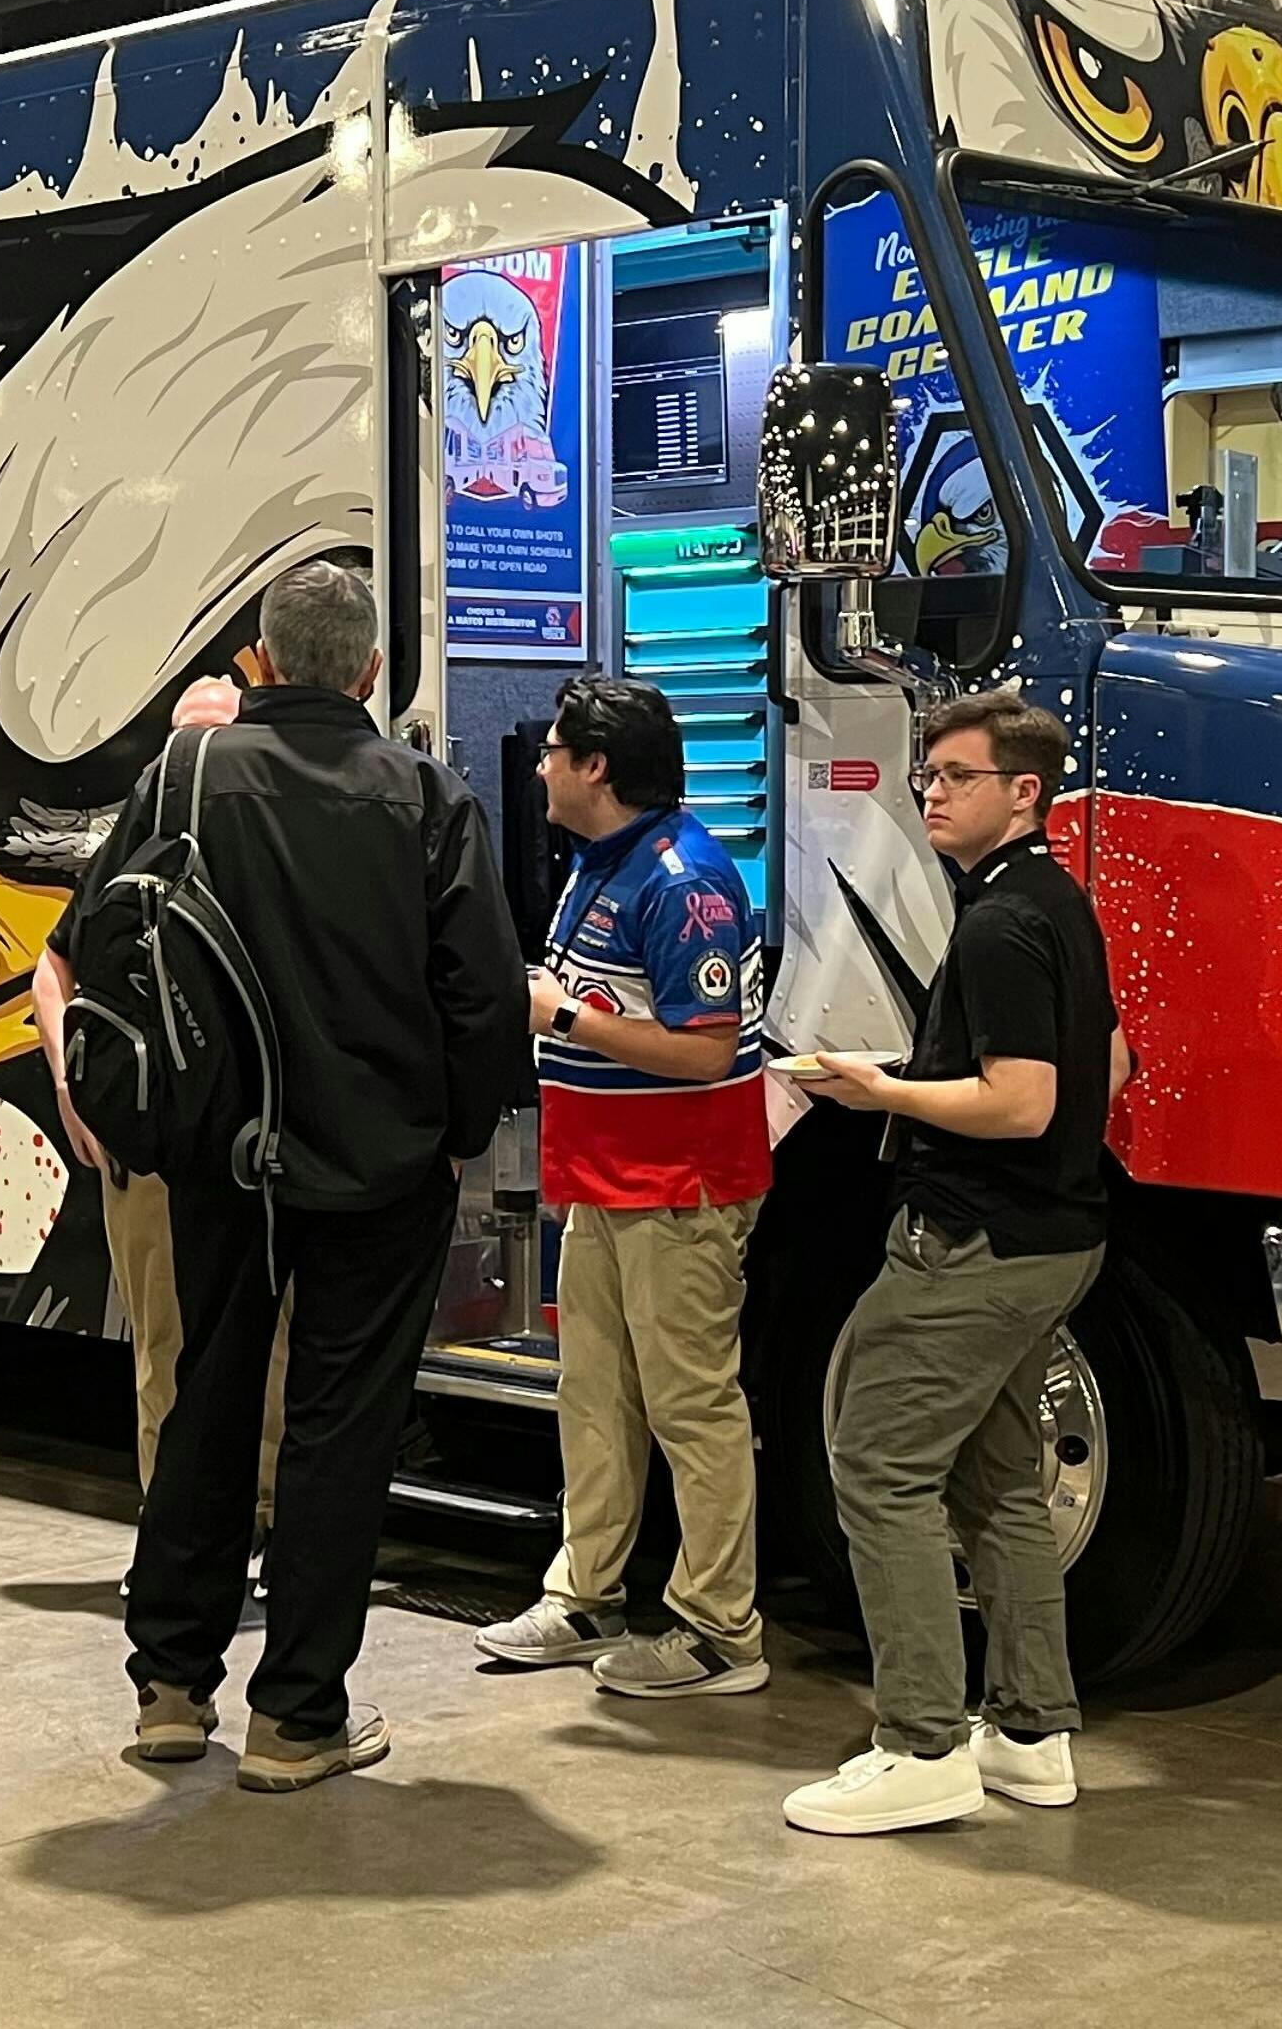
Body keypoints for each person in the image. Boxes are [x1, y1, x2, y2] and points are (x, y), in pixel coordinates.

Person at [53, 560, 525, 1792]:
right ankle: (298, 1719)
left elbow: (100, 938)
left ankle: (170, 1688)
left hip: (220, 1157)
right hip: (381, 1167)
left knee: (206, 1399)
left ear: (259, 662)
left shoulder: (186, 775)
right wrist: (458, 1132)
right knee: (338, 1428)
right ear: (369, 671)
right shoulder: (423, 796)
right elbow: (482, 995)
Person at [788, 690, 1126, 1837]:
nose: (931, 792)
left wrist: (883, 1091)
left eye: (957, 777)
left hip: (975, 1243)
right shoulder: (1058, 903)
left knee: (879, 1468)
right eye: (928, 774)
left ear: (1025, 792)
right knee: (999, 1481)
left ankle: (921, 1743)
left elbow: (1022, 1103)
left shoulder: (997, 925)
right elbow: (1110, 1065)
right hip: (1054, 1239)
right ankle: (1029, 1735)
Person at [472, 675, 775, 1699]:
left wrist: (559, 1018)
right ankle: (586, 1594)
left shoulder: (684, 884)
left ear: (597, 767)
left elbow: (706, 1051)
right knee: (593, 1395)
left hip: (679, 1191)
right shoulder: (599, 866)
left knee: (691, 1406)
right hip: (604, 1183)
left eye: (555, 751)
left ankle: (722, 1631)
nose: (541, 767)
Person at [34, 677, 283, 1527]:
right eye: (181, 738)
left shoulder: (275, 840)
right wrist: (70, 1090)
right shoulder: (136, 840)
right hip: (152, 1147)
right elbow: (53, 965)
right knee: (165, 1349)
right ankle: (173, 1527)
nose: (193, 756)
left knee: (274, 1349)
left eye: (214, 736)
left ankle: (260, 1520)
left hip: (256, 1144)